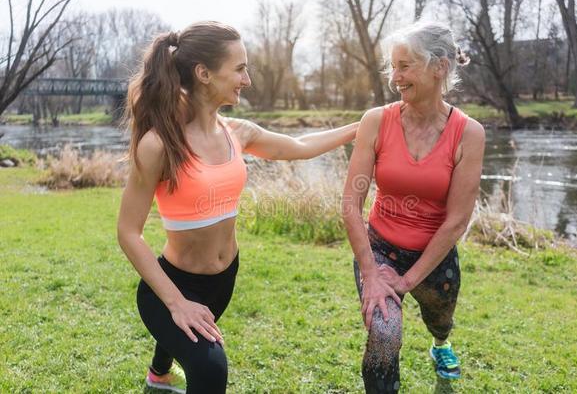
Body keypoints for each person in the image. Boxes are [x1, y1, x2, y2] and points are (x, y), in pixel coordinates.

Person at [116, 21, 358, 394]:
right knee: (210, 370)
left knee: (192, 334)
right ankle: (163, 366)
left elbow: (300, 144)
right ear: (204, 74)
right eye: (240, 68)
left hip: (223, 280)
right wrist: (177, 303)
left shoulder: (237, 132)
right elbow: (128, 232)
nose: (247, 79)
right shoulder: (159, 145)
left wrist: (361, 126)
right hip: (172, 286)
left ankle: (158, 375)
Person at [342, 21, 485, 392]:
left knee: (440, 320)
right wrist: (372, 273)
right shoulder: (376, 121)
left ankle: (440, 344)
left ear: (439, 67)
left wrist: (407, 281)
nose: (395, 78)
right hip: (379, 250)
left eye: (405, 66)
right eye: (393, 67)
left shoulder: (469, 133)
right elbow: (350, 203)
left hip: (434, 254)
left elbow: (456, 222)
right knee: (384, 334)